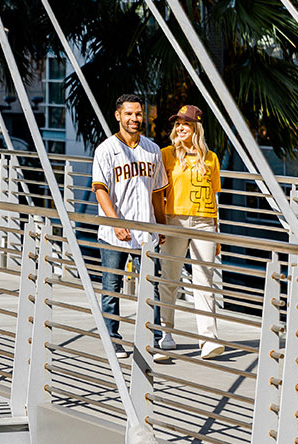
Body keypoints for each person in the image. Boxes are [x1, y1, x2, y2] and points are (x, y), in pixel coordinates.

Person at [91, 94, 168, 359]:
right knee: (112, 287)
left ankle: (155, 340)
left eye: (138, 114)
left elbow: (157, 191)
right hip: (115, 232)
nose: (134, 119)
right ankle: (112, 339)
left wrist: (162, 225)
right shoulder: (105, 149)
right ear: (118, 115)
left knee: (152, 286)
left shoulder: (152, 149)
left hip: (147, 231)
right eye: (129, 114)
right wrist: (115, 222)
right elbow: (100, 190)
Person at [156, 105, 225, 359]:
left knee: (204, 280)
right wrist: (159, 225)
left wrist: (217, 233)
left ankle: (209, 340)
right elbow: (158, 193)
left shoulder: (211, 158)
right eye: (177, 124)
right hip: (174, 221)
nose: (180, 128)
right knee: (169, 279)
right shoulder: (166, 155)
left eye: (186, 124)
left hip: (205, 222)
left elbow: (213, 198)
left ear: (196, 127)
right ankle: (165, 334)